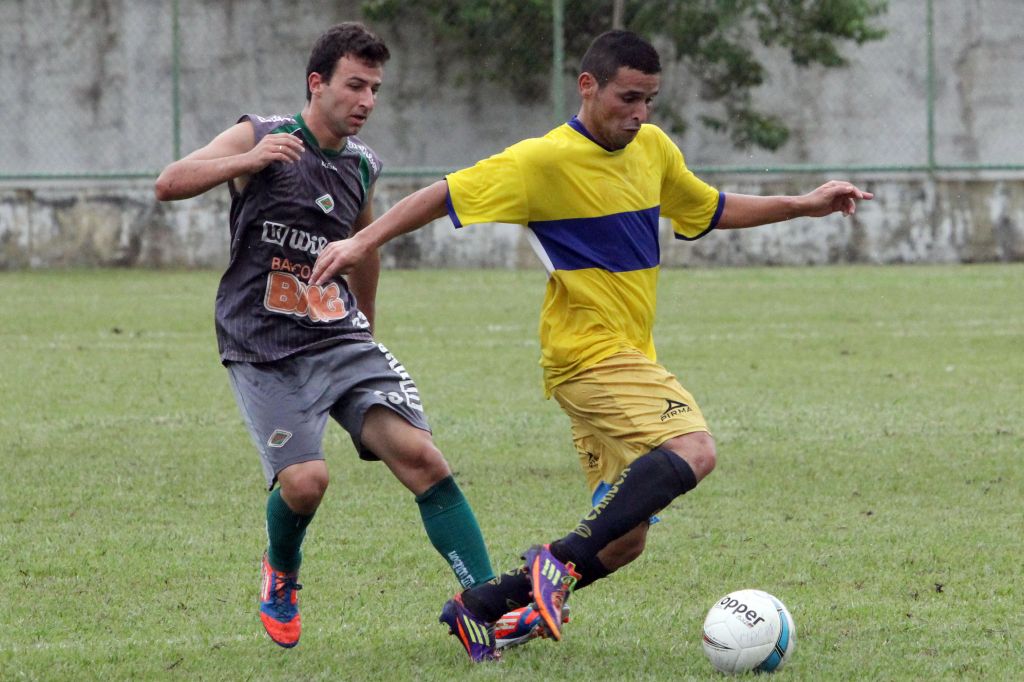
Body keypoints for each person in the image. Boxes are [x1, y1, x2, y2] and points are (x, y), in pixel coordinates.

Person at [310, 29, 874, 662]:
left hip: (625, 356)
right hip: (588, 354)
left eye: (649, 101)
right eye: (628, 98)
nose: (638, 115)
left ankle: (482, 608)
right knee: (694, 448)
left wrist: (805, 204)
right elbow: (442, 194)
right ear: (589, 86)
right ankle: (557, 565)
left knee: (626, 537)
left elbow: (709, 209)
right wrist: (363, 242)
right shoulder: (542, 161)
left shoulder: (654, 149)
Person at [153, 22, 496, 649]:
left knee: (424, 459)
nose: (366, 101)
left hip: (339, 339)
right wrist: (246, 161)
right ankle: (281, 571)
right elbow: (168, 182)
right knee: (307, 483)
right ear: (318, 83)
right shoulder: (262, 135)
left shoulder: (361, 165)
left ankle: (489, 608)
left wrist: (364, 321)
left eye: (375, 89)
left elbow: (363, 248)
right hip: (262, 344)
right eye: (354, 86)